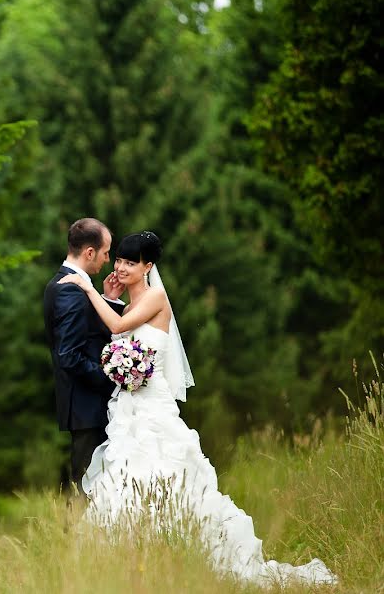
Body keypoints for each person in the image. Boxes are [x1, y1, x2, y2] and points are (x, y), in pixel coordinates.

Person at [59, 230, 337, 587]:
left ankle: (187, 555)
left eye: (131, 262)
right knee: (127, 478)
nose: (122, 267)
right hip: (128, 409)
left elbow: (116, 327)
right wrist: (110, 299)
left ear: (148, 266)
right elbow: (119, 327)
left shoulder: (156, 298)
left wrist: (88, 290)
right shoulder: (129, 305)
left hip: (153, 407)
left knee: (167, 474)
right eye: (119, 260)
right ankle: (137, 564)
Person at [43, 218, 125, 494]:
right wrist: (110, 379)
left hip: (87, 404)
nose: (108, 260)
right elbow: (69, 355)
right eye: (105, 252)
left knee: (95, 486)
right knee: (85, 488)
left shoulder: (69, 285)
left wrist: (108, 299)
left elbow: (89, 333)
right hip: (87, 404)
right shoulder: (70, 289)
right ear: (90, 252)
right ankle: (71, 538)